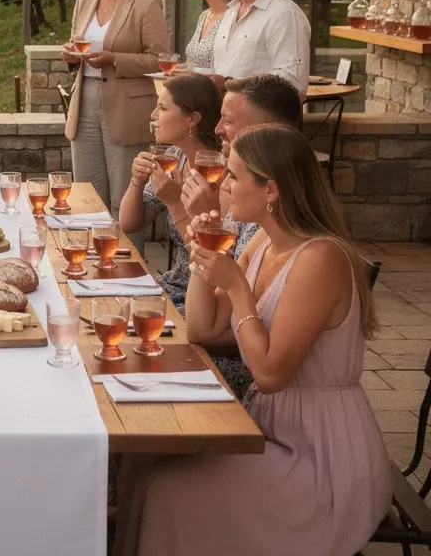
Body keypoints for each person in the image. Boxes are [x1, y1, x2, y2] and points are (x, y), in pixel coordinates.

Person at [114, 124, 391, 556]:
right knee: (142, 461)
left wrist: (239, 288)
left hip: (319, 458)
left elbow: (271, 372)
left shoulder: (320, 258)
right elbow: (202, 330)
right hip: (268, 430)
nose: (222, 183)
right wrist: (202, 249)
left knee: (168, 488)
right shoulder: (265, 239)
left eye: (234, 175)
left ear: (272, 190)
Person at [61, 0, 170, 219]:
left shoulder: (147, 3)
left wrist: (114, 59)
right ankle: (89, 259)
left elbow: (161, 60)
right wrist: (72, 56)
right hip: (84, 101)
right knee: (86, 195)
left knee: (124, 196)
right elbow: (78, 45)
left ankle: (128, 263)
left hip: (127, 106)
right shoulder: (85, 0)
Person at [119, 74, 223, 313]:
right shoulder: (175, 158)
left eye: (163, 108)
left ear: (193, 120)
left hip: (204, 296)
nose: (154, 116)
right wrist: (136, 181)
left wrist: (175, 204)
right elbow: (130, 223)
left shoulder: (221, 173)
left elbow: (213, 259)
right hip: (173, 284)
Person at [182, 73, 303, 255]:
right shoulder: (237, 182)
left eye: (228, 121)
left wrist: (200, 215)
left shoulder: (281, 209)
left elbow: (231, 278)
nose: (217, 129)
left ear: (266, 128)